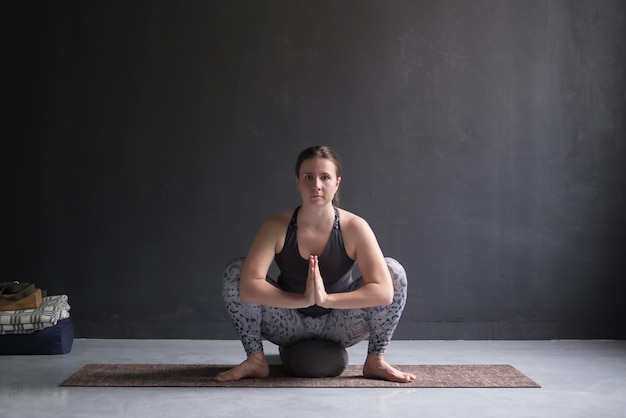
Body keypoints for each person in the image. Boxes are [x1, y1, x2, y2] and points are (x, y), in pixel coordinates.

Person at [216, 145, 415, 383]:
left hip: (339, 322)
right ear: (297, 181)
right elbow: (248, 287)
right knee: (237, 271)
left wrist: (326, 299)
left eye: (325, 177)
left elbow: (383, 292)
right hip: (288, 321)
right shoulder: (276, 225)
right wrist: (303, 300)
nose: (316, 185)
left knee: (393, 271)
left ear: (337, 183)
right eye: (309, 177)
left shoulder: (355, 227)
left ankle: (376, 360)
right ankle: (255, 359)